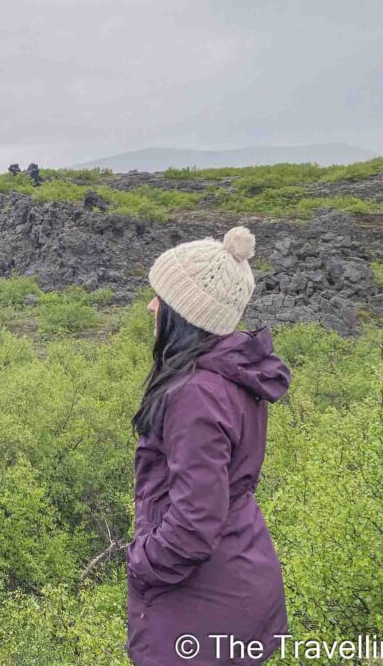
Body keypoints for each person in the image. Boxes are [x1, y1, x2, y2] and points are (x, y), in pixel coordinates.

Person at [126, 225, 292, 666]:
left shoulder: (195, 394)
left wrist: (141, 561)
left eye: (160, 297)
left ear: (185, 313)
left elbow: (194, 523)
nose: (151, 306)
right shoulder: (232, 372)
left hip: (204, 605)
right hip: (238, 572)